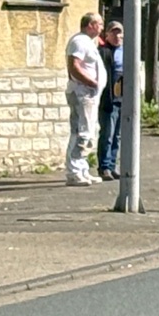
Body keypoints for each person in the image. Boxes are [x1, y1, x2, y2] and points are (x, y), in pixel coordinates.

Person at [64, 13, 104, 187]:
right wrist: (92, 82)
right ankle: (74, 171)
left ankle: (82, 168)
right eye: (100, 24)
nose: (102, 28)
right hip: (83, 94)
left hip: (89, 94)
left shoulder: (87, 42)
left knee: (89, 131)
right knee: (83, 132)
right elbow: (74, 66)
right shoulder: (79, 42)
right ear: (91, 25)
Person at [96, 19, 124, 180]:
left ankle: (112, 166)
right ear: (106, 35)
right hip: (108, 98)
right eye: (113, 32)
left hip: (122, 97)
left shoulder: (126, 51)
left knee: (117, 136)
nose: (117, 35)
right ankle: (104, 166)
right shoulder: (102, 51)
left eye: (119, 32)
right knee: (107, 133)